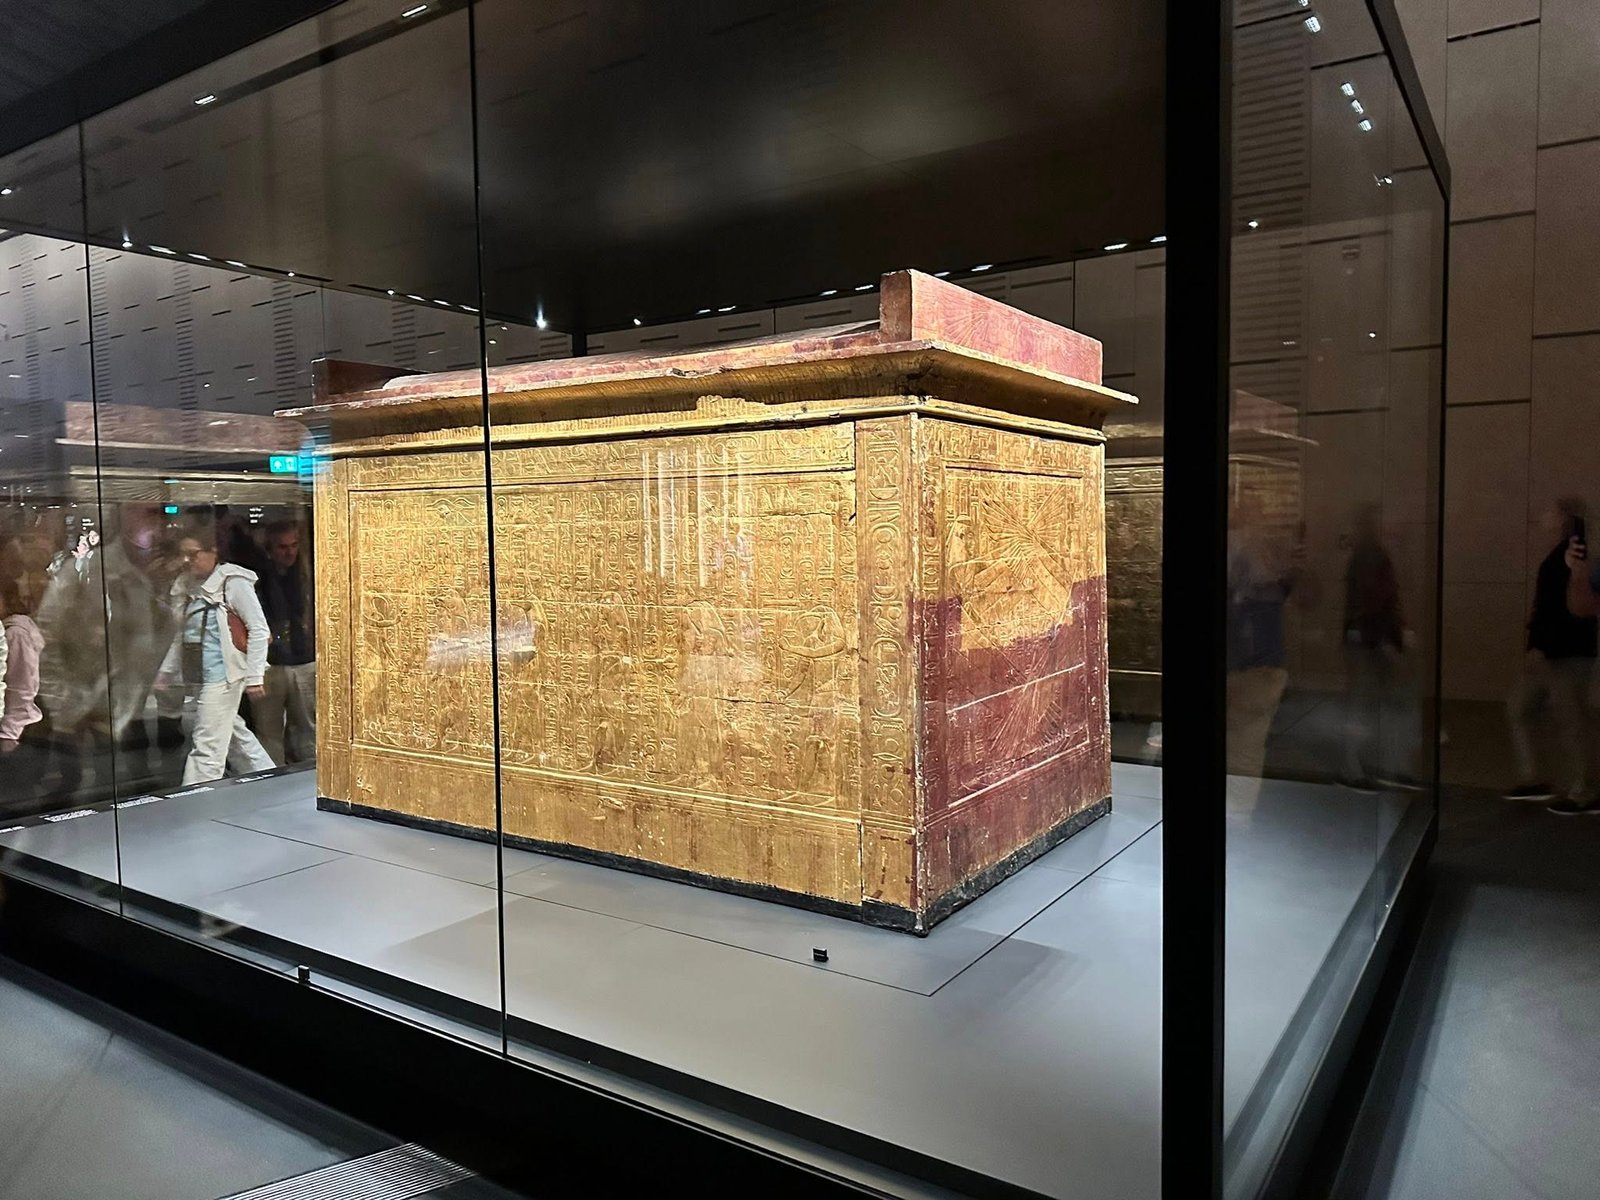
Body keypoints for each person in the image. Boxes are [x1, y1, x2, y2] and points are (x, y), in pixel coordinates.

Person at [159, 527, 275, 785]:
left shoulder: (232, 582)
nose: (187, 560)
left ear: (213, 552)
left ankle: (197, 795)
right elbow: (181, 635)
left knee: (207, 744)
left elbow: (258, 629)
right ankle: (267, 777)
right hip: (198, 675)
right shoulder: (185, 586)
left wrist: (254, 677)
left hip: (223, 675)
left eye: (193, 554)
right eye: (183, 554)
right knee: (233, 734)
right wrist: (167, 671)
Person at [1504, 497, 1597, 808]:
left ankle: (1584, 791)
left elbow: (1570, 604)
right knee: (1520, 708)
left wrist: (1539, 644)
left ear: (1562, 517)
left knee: (1572, 721)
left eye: (1549, 511)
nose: (1542, 516)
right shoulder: (1559, 553)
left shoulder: (1574, 551)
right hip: (1550, 652)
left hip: (1567, 652)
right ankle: (1535, 778)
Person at [1341, 505, 1420, 790]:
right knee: (1376, 703)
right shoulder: (1372, 555)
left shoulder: (1371, 554)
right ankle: (1372, 767)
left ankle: (1370, 766)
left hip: (1369, 639)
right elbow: (1374, 603)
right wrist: (1388, 640)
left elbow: (1377, 601)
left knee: (1373, 703)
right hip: (1372, 641)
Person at [251, 519, 316, 766]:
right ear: (270, 549)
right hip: (272, 662)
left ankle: (312, 772)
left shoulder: (306, 575)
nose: (289, 552)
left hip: (303, 658)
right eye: (282, 547)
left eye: (293, 545)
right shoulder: (259, 579)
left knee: (309, 728)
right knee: (269, 732)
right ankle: (273, 774)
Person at [0, 571, 48, 811]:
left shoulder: (15, 632)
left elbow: (22, 685)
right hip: (16, 726)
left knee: (15, 799)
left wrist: (9, 732)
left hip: (17, 729)